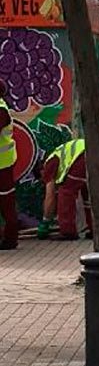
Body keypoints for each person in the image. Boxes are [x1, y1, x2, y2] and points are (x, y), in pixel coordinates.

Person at [35, 138, 93, 240]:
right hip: (92, 153)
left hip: (81, 158)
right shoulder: (60, 153)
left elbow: (50, 195)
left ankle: (68, 231)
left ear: (41, 171)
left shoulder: (49, 163)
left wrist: (45, 221)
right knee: (88, 197)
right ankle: (94, 229)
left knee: (66, 193)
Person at [0, 80, 17, 250]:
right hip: (4, 163)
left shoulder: (1, 110)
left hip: (2, 166)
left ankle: (10, 240)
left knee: (6, 203)